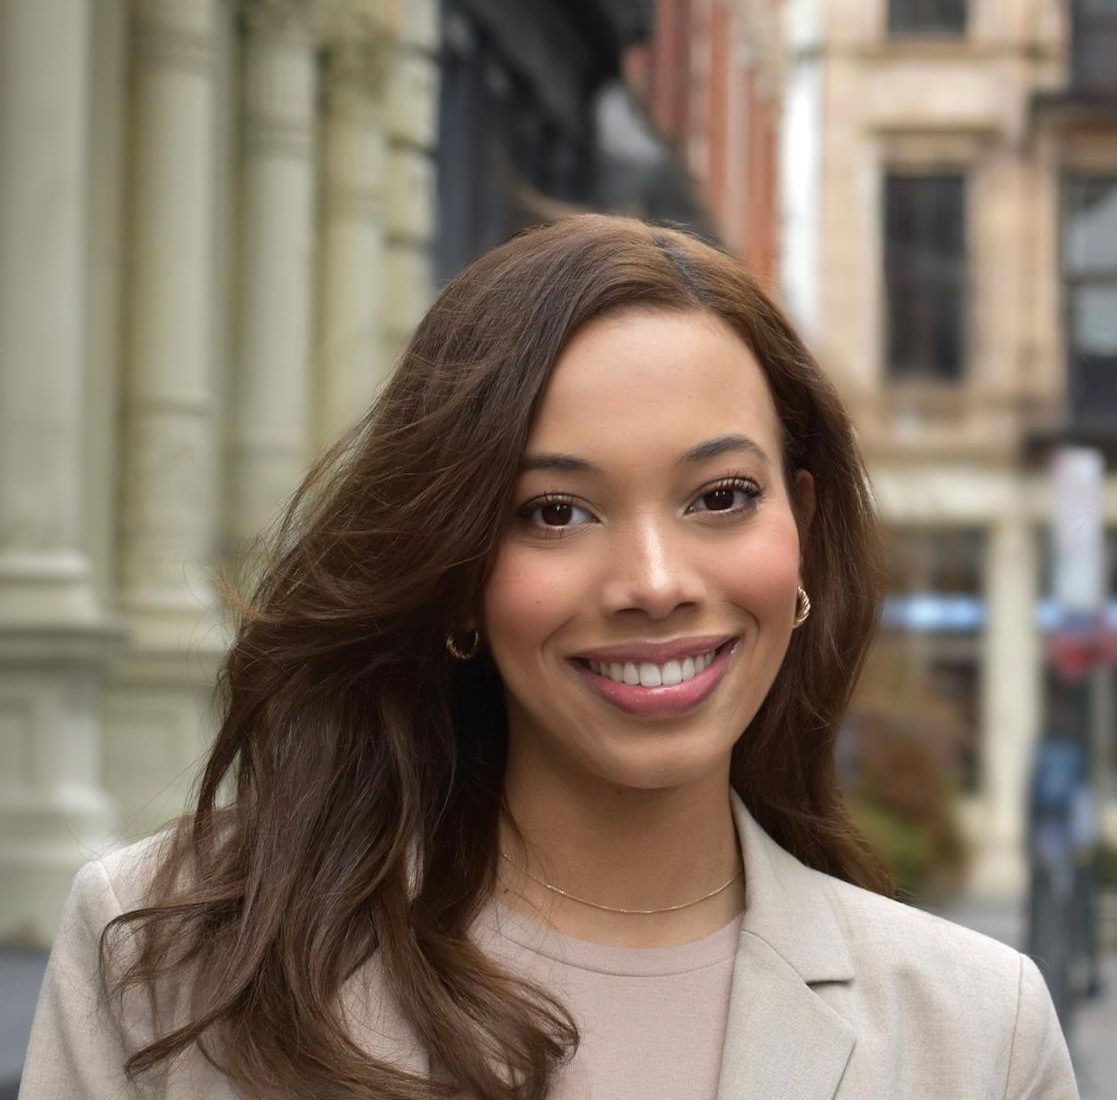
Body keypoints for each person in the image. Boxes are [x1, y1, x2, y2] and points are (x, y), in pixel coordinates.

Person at [20, 215, 1078, 1099]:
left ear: (797, 524)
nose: (655, 579)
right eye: (555, 510)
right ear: (459, 565)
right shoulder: (165, 953)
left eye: (720, 496)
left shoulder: (976, 1032)